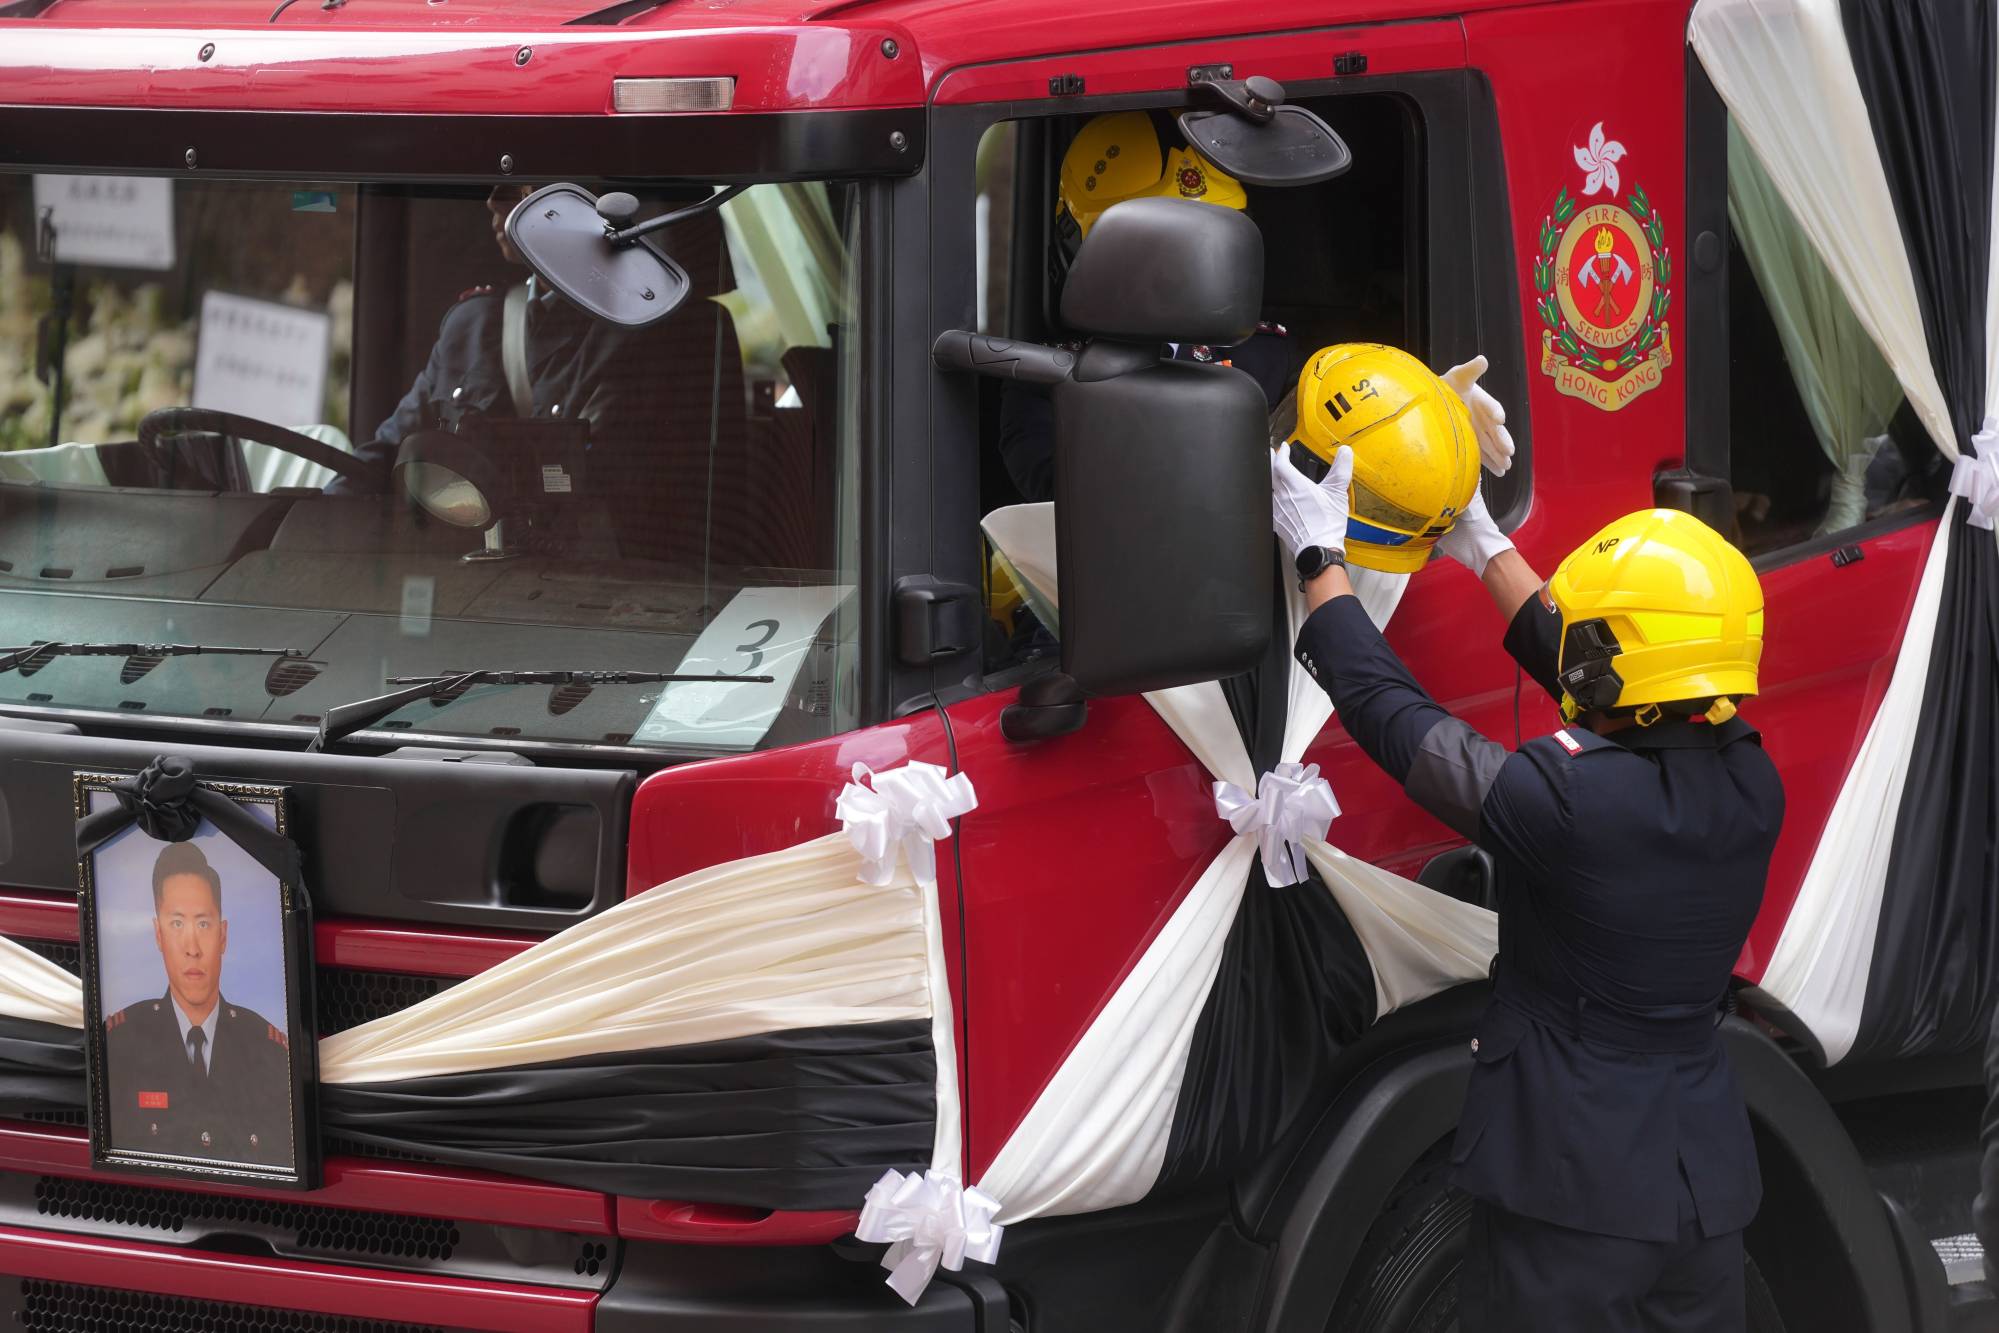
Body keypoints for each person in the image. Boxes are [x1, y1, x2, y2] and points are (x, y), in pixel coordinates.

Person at [1271, 449, 1784, 1331]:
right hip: (1698, 1184)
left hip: (1570, 1189)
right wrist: (1485, 543)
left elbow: (1396, 719)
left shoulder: (1567, 799)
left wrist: (1320, 564)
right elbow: (1626, 683)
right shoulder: (1749, 775)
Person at [105, 841, 294, 1168]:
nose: (192, 947)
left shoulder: (271, 1053)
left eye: (203, 924)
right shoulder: (118, 1045)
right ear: (158, 935)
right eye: (177, 924)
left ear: (223, 936)